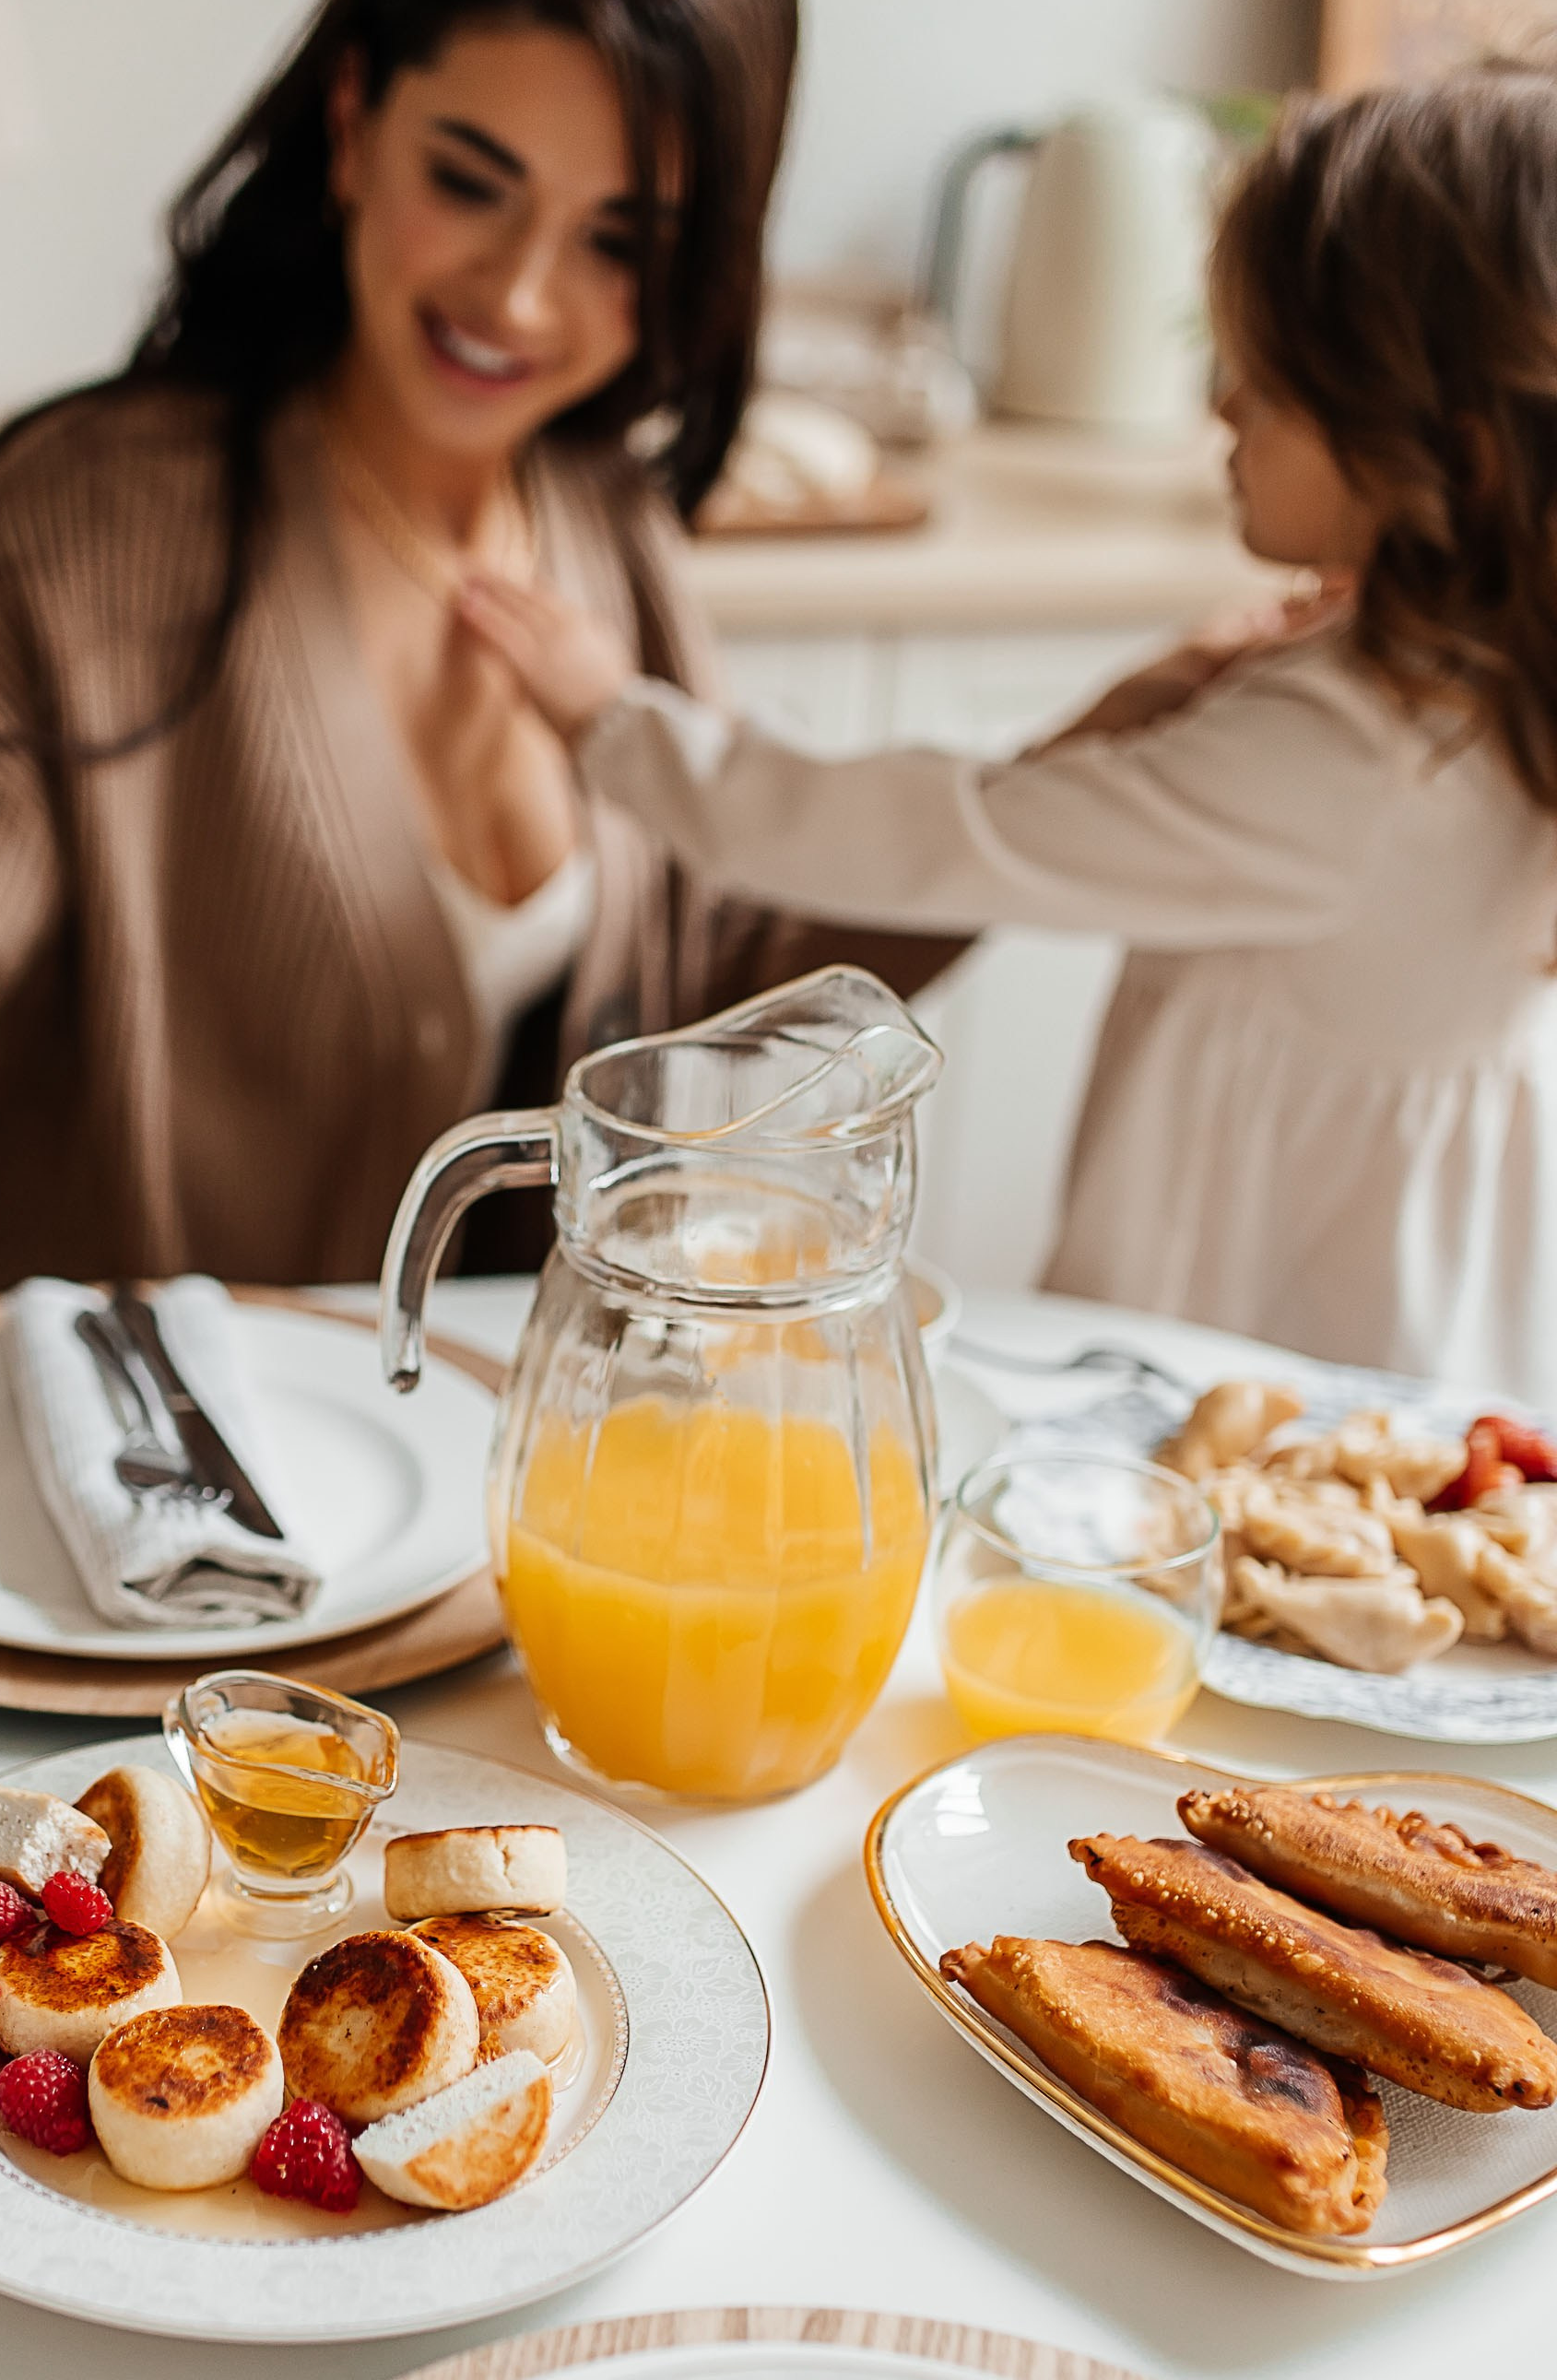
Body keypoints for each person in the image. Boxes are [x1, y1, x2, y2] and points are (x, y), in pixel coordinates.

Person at [0, 0, 952, 1310]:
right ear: (352, 123)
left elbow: (704, 973)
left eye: (618, 241)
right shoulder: (96, 528)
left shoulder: (609, 525)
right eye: (470, 182)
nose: (521, 299)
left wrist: (1058, 808)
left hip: (447, 1436)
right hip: (90, 1427)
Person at [460, 68, 1557, 1408]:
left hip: (1254, 1364)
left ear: (1450, 453)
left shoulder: (1346, 762)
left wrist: (611, 719)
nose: (1220, 408)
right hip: (1441, 1339)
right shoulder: (1478, 696)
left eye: (1268, 385)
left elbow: (936, 834)